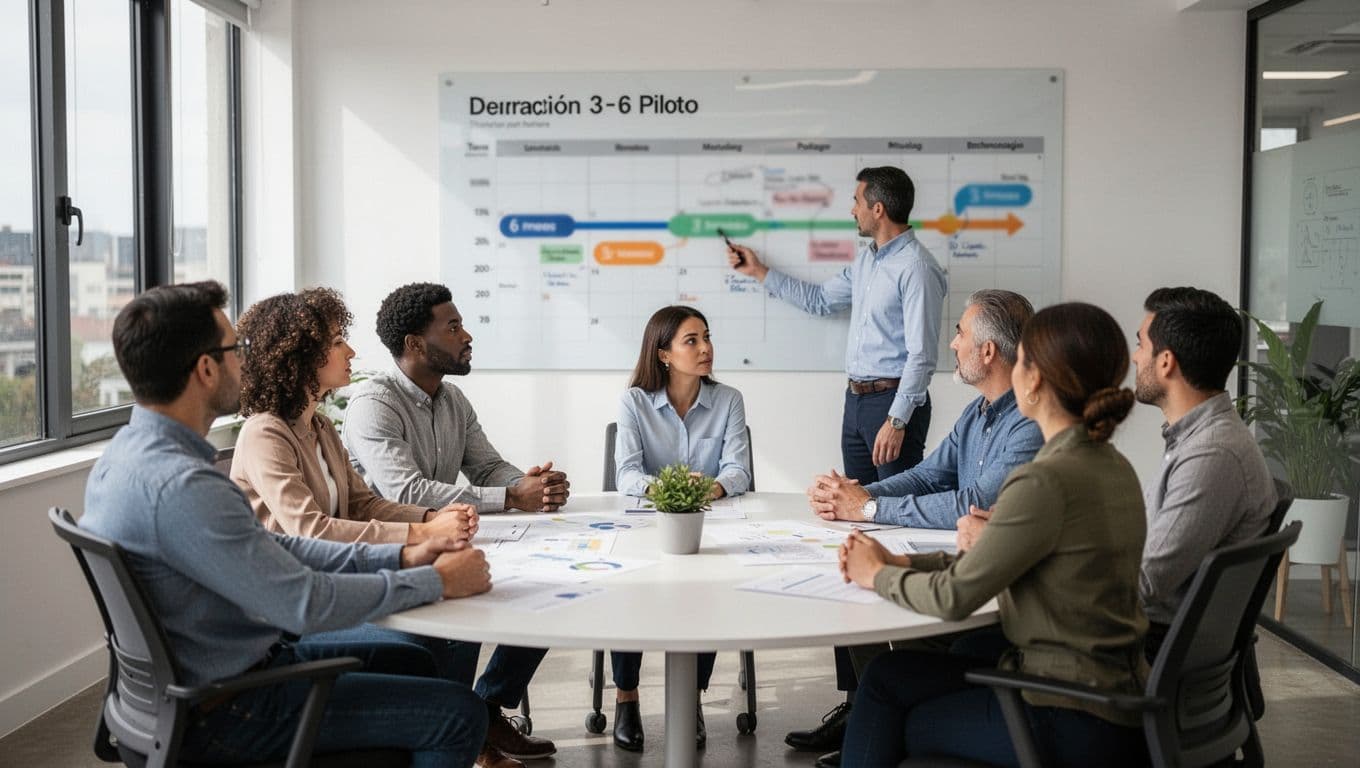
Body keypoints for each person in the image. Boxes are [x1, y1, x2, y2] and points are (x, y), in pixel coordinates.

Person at [80, 281, 491, 767]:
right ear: (206, 369)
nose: (246, 361)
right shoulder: (185, 485)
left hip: (206, 683)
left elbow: (277, 548)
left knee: (415, 661)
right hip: (231, 707)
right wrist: (433, 580)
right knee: (460, 713)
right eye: (237, 349)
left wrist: (403, 553)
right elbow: (304, 603)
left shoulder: (124, 459)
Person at [229, 289, 551, 768]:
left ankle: (461, 730)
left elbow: (363, 503)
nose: (352, 351)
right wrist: (424, 536)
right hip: (295, 613)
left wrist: (431, 521)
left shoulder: (318, 427)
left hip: (340, 579)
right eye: (338, 341)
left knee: (483, 599)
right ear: (301, 355)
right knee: (443, 623)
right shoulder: (266, 432)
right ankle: (461, 729)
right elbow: (309, 530)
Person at [836, 303, 1151, 768]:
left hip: (1067, 713)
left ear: (1036, 379)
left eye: (1020, 359)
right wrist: (902, 563)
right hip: (1111, 697)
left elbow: (955, 598)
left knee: (894, 709)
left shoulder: (1044, 480)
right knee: (887, 674)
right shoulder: (1112, 465)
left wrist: (877, 575)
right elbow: (995, 554)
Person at [787, 289, 1043, 765]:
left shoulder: (1029, 423)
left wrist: (866, 512)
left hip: (993, 601)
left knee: (884, 625)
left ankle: (878, 722)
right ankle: (868, 720)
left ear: (987, 351)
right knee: (863, 606)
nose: (951, 343)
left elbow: (974, 501)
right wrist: (857, 493)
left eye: (960, 333)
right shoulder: (979, 411)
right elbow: (930, 475)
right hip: (968, 568)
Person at [342, 282, 563, 765]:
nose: (467, 336)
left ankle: (484, 708)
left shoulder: (453, 399)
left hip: (451, 535)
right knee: (464, 593)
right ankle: (468, 730)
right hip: (397, 550)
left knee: (552, 593)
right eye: (454, 326)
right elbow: (406, 493)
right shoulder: (373, 403)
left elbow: (487, 467)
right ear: (415, 344)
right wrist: (509, 496)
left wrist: (531, 484)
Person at [728, 165, 946, 488]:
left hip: (892, 405)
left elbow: (922, 354)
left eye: (856, 200)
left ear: (878, 209)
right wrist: (759, 271)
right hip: (856, 402)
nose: (852, 210)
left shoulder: (917, 268)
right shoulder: (867, 262)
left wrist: (897, 420)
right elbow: (820, 300)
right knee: (854, 505)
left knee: (894, 510)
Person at [610, 305, 752, 752]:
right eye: (692, 340)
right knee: (628, 585)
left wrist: (711, 488)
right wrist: (672, 488)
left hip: (706, 522)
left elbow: (738, 471)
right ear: (664, 353)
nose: (706, 348)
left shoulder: (728, 400)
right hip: (647, 522)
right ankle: (626, 696)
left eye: (706, 337)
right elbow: (627, 475)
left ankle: (690, 696)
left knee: (705, 589)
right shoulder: (634, 402)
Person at [1133, 286, 1276, 652]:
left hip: (1149, 648)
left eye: (1140, 345)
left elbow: (1143, 582)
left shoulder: (1213, 455)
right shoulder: (1197, 440)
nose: (1134, 358)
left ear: (1165, 362)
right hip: (1155, 638)